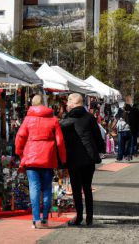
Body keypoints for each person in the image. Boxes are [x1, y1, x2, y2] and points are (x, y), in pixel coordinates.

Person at [15, 94, 66, 229]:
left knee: (34, 187)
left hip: (31, 157)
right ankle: (45, 219)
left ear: (32, 104)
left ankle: (35, 219)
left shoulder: (27, 119)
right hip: (48, 157)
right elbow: (60, 142)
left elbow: (20, 136)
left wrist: (19, 152)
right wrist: (63, 159)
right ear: (44, 103)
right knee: (47, 188)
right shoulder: (53, 120)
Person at [60, 93, 104, 226]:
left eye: (68, 102)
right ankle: (89, 217)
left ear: (73, 103)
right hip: (88, 158)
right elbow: (98, 137)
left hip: (73, 158)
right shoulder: (90, 118)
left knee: (76, 188)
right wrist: (99, 150)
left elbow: (61, 141)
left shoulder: (66, 120)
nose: (67, 105)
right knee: (87, 187)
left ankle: (79, 216)